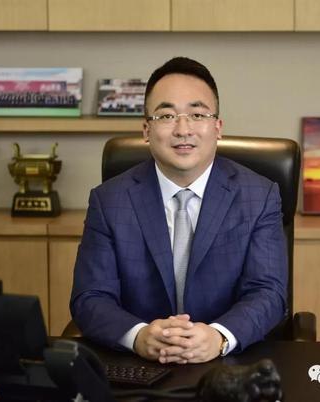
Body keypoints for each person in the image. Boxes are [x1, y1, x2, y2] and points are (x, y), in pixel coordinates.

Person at [71, 57, 287, 364]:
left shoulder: (259, 196)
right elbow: (90, 297)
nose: (183, 130)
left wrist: (219, 336)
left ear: (218, 127)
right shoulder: (109, 200)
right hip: (141, 366)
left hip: (229, 365)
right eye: (167, 116)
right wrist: (138, 336)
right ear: (146, 130)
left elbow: (268, 292)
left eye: (197, 114)